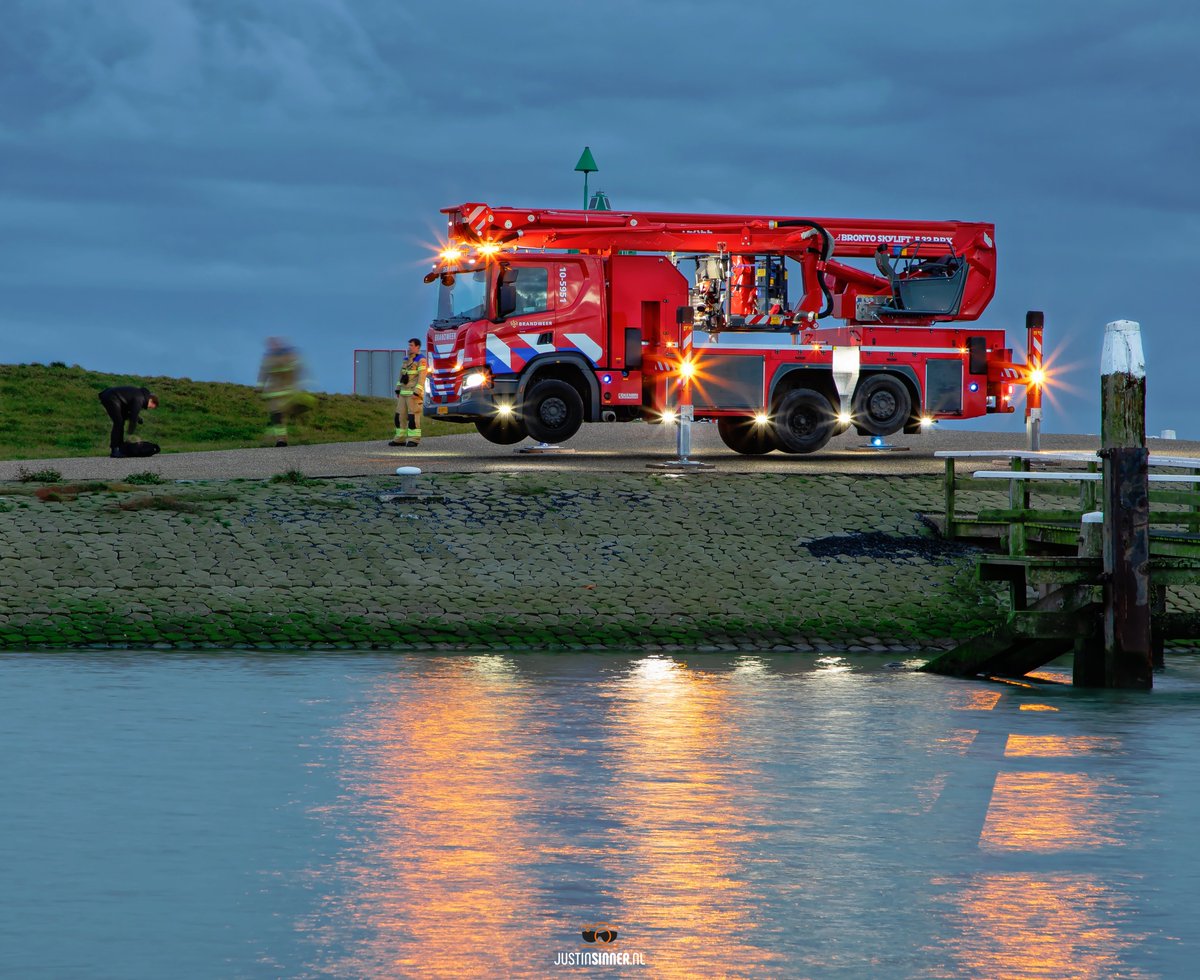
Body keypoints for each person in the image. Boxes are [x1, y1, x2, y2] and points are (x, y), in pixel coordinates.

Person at [257, 337, 309, 447]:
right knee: (278, 417)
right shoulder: (271, 358)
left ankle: (303, 436)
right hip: (277, 394)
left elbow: (297, 371)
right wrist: (259, 388)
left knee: (293, 416)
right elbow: (263, 374)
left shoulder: (287, 356)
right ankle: (281, 440)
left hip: (287, 393)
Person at [98, 386, 158, 458]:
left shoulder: (140, 395)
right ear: (151, 400)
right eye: (151, 406)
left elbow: (130, 411)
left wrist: (138, 418)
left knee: (120, 421)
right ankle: (114, 450)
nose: (149, 408)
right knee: (118, 422)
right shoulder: (140, 398)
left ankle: (120, 447)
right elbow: (133, 416)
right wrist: (130, 432)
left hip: (114, 397)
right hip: (111, 397)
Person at [390, 338, 428, 448]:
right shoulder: (406, 360)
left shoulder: (421, 360)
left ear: (418, 347)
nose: (409, 347)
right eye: (409, 345)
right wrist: (398, 388)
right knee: (399, 416)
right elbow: (401, 375)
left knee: (413, 417)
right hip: (403, 393)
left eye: (411, 345)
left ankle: (414, 440)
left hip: (413, 394)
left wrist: (417, 391)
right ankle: (399, 439)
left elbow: (422, 377)